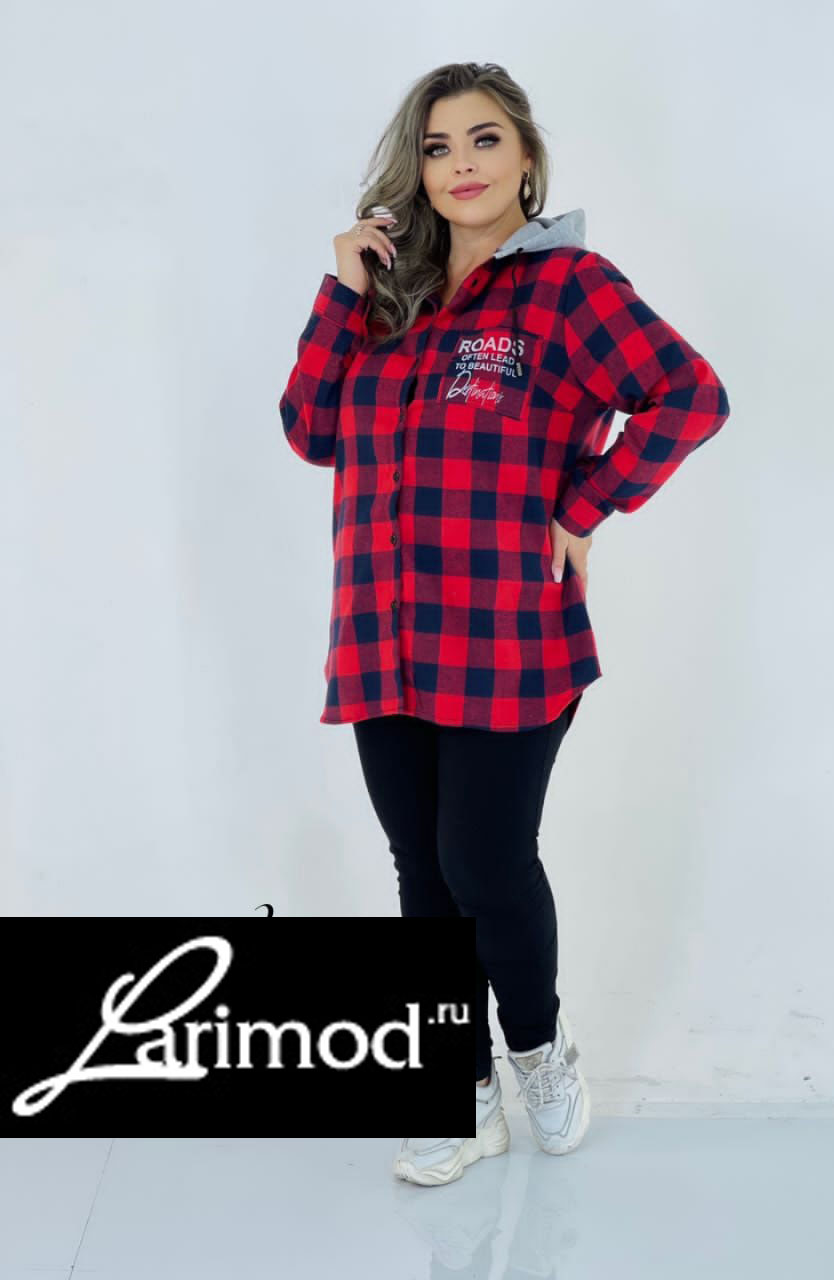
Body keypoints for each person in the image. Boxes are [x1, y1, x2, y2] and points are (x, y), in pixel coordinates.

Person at [278, 61, 731, 1187]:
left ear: (526, 156)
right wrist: (343, 289)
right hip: (385, 629)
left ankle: (535, 1046)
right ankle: (459, 1085)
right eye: (437, 147)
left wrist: (585, 506)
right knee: (421, 873)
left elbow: (691, 394)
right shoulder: (389, 298)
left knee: (482, 859)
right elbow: (311, 430)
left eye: (484, 140)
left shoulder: (568, 287)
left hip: (508, 636)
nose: (461, 165)